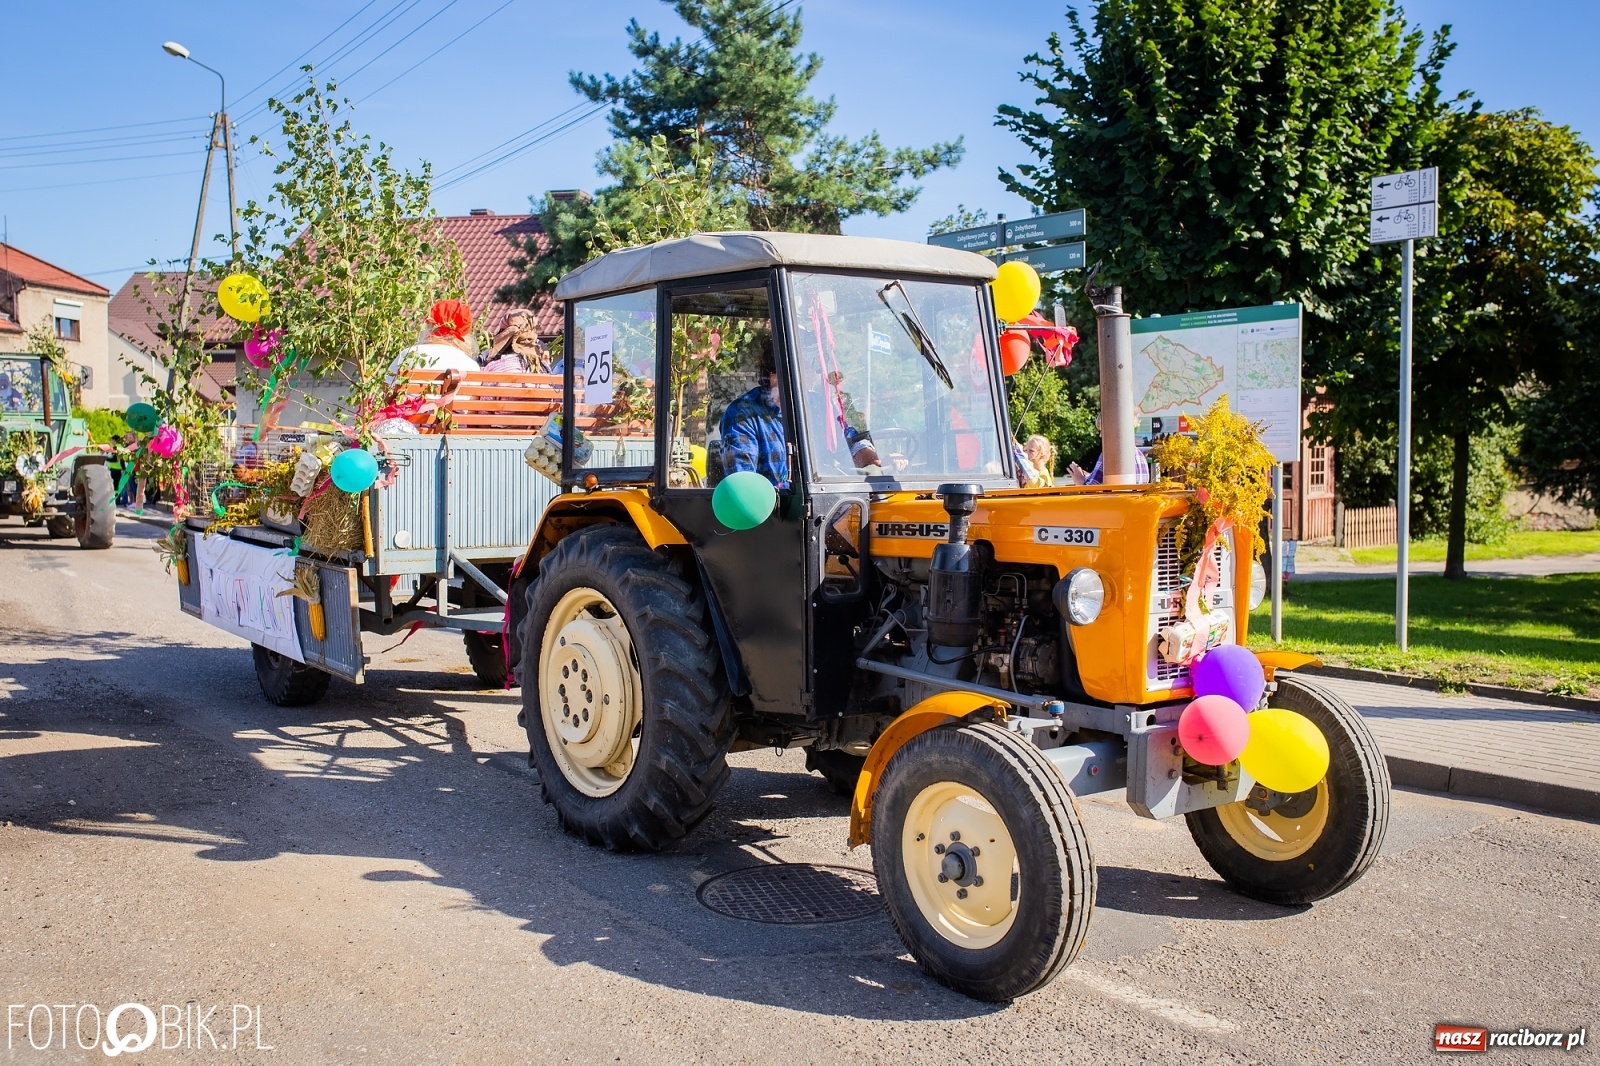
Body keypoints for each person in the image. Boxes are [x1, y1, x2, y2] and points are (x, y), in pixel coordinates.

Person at [718, 335, 789, 490]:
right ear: (778, 366)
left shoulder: (817, 408)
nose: (815, 372)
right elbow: (744, 487)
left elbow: (849, 448)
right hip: (774, 512)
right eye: (810, 364)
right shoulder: (743, 415)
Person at [1069, 414, 1150, 485]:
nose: (1100, 435)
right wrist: (1089, 476)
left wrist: (1080, 481)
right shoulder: (1140, 455)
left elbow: (1091, 490)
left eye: (1102, 430)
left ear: (1114, 429)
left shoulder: (1109, 454)